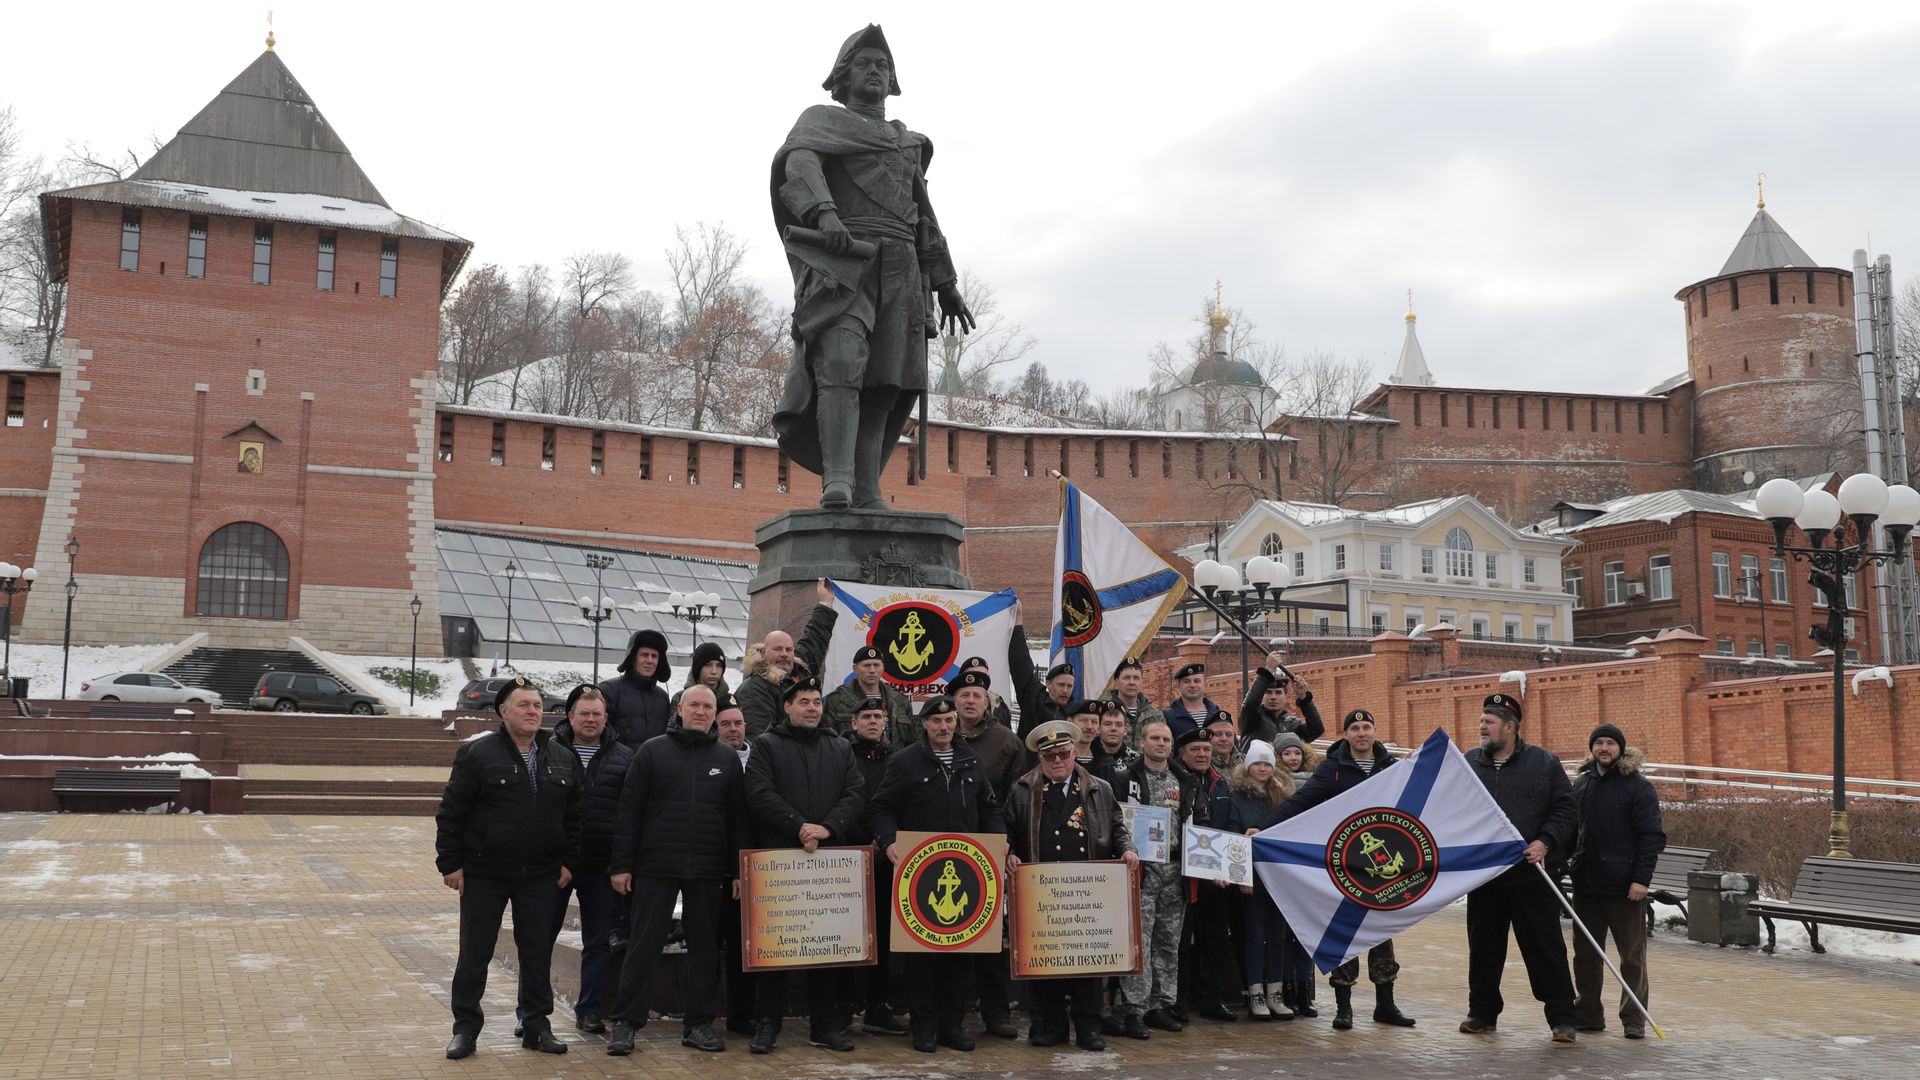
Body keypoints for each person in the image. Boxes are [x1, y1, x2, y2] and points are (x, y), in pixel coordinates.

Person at [770, 23, 973, 510]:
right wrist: (824, 212)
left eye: (883, 65)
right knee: (840, 359)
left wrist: (945, 283)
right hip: (846, 261)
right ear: (843, 77)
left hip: (903, 268)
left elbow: (923, 214)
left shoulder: (908, 143)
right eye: (864, 64)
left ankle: (866, 485)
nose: (875, 71)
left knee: (888, 378)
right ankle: (836, 480)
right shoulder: (820, 123)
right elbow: (798, 167)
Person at [435, 677, 582, 1060]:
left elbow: (576, 816)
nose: (533, 711)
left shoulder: (562, 756)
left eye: (537, 705)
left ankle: (537, 1025)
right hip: (485, 872)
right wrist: (451, 864)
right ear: (503, 712)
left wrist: (570, 861)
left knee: (536, 954)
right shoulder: (478, 754)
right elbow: (452, 812)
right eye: (524, 705)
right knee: (475, 954)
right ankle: (465, 1029)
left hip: (539, 875)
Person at [605, 685, 749, 1056]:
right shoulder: (652, 751)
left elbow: (737, 820)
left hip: (706, 869)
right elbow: (629, 812)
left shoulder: (727, 758)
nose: (701, 712)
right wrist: (621, 865)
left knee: (704, 949)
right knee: (643, 945)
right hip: (656, 865)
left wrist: (736, 870)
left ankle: (698, 1024)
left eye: (708, 706)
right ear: (680, 708)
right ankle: (626, 1023)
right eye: (695, 705)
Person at [869, 696, 1008, 1053]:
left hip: (966, 870)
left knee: (960, 955)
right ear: (925, 725)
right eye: (936, 722)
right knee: (921, 957)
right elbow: (882, 807)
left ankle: (953, 1024)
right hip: (920, 872)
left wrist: (998, 841)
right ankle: (924, 1026)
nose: (944, 727)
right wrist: (887, 842)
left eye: (949, 720)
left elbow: (989, 808)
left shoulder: (971, 762)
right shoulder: (905, 763)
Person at [1263, 708, 1415, 1031]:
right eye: (1355, 728)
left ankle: (1385, 1005)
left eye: (1367, 727)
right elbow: (1300, 802)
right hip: (1344, 866)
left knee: (1381, 933)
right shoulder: (1333, 769)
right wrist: (1262, 829)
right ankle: (1343, 1007)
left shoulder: (1391, 768)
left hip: (1382, 867)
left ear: (1375, 732)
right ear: (1345, 734)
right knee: (1345, 932)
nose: (1361, 733)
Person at [743, 674, 868, 1054]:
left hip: (827, 862)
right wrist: (799, 827)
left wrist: (827, 828)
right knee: (778, 948)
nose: (812, 708)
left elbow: (855, 792)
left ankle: (825, 1026)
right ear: (787, 707)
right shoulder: (766, 745)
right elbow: (759, 793)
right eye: (804, 702)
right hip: (782, 862)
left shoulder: (839, 747)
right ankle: (768, 1024)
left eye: (816, 701)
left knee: (826, 947)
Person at [1006, 720, 1138, 1051]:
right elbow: (1007, 831)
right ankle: (1051, 1026)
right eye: (1049, 756)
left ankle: (1089, 1027)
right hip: (1043, 890)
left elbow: (1117, 826)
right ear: (1040, 758)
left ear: (1075, 753)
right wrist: (1008, 853)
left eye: (1064, 754)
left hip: (1087, 890)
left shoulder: (1099, 788)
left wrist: (1127, 849)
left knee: (1088, 963)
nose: (1058, 762)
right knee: (1046, 960)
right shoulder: (1022, 789)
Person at [1459, 692, 1580, 1044]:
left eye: (1490, 722)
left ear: (1510, 727)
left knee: (1545, 948)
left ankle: (1562, 1017)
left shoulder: (1542, 763)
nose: (1482, 727)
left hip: (1533, 875)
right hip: (1486, 876)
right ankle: (1482, 1013)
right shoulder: (1469, 763)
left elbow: (1565, 809)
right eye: (1482, 721)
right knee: (1483, 948)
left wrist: (1546, 842)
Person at [543, 685, 633, 1036]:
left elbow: (630, 816)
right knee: (540, 940)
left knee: (597, 943)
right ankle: (532, 1012)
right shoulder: (546, 752)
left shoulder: (624, 757)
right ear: (570, 716)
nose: (591, 719)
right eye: (584, 713)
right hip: (556, 866)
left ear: (606, 718)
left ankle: (590, 1011)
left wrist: (621, 861)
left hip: (601, 866)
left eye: (597, 714)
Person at [1570, 722, 1665, 1041]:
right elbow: (1571, 832)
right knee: (1585, 956)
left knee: (1632, 957)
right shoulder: (1581, 785)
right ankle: (1588, 1014)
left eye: (1611, 743)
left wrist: (1641, 880)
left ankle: (1634, 1017)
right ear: (1592, 748)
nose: (1605, 748)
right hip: (1586, 886)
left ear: (1621, 748)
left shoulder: (1638, 787)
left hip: (1626, 890)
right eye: (1599, 743)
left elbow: (1651, 837)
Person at [948, 667, 1023, 1038]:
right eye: (964, 695)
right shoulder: (939, 736)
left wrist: (1009, 844)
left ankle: (996, 1014)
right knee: (952, 934)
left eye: (977, 695)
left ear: (988, 701)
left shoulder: (1007, 742)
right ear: (955, 702)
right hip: (944, 849)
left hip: (989, 848)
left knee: (991, 936)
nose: (971, 700)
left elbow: (1017, 797)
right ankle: (955, 1014)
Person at [1113, 718, 1191, 1037]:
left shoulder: (1183, 780)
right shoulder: (1125, 779)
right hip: (1142, 869)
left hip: (1175, 869)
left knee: (1168, 940)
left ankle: (1161, 1004)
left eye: (1166, 740)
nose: (1161, 744)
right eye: (1155, 738)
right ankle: (1134, 1008)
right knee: (1138, 940)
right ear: (1142, 742)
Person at [836, 695, 906, 1036]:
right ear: (854, 723)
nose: (873, 721)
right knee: (847, 933)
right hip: (849, 854)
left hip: (884, 858)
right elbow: (842, 801)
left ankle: (878, 1006)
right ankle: (843, 1006)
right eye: (866, 716)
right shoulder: (840, 755)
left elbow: (896, 805)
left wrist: (883, 842)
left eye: (878, 716)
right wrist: (863, 841)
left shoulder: (896, 760)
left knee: (882, 933)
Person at [1175, 715, 1241, 1023]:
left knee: (1216, 940)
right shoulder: (1175, 782)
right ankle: (1180, 1000)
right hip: (1184, 878)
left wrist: (1226, 869)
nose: (1202, 754)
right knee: (1181, 941)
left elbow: (1229, 827)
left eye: (1206, 748)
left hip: (1217, 879)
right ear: (1182, 754)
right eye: (1195, 749)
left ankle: (1213, 999)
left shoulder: (1221, 783)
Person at [1226, 740, 1296, 1020]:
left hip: (1280, 879)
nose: (1263, 768)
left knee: (1278, 937)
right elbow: (1233, 837)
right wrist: (1241, 875)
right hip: (1251, 878)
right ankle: (1255, 992)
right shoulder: (1236, 796)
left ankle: (1275, 993)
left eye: (1267, 763)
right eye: (1258, 763)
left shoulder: (1284, 795)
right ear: (1248, 766)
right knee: (1256, 936)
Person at [739, 580, 838, 737]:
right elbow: (760, 737)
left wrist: (825, 602)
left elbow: (815, 639)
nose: (784, 654)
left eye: (789, 649)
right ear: (763, 652)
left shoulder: (801, 670)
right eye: (778, 649)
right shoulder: (755, 688)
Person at [1267, 730, 1320, 1020]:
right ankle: (1286, 987)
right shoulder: (1274, 785)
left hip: (1308, 865)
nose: (1293, 758)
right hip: (1282, 867)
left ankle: (1304, 989)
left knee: (1305, 933)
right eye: (1287, 753)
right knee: (1284, 932)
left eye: (1297, 753)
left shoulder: (1317, 782)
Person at [712, 702, 757, 1035]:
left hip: (754, 866)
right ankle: (703, 1014)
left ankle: (742, 1016)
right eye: (725, 724)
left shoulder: (761, 758)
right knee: (712, 944)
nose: (733, 729)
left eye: (738, 723)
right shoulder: (709, 757)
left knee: (747, 945)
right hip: (714, 867)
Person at [823, 644, 914, 746]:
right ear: (855, 668)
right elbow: (827, 742)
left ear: (883, 667)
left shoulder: (900, 701)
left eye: (876, 665)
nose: (872, 670)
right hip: (852, 760)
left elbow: (913, 742)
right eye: (866, 665)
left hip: (893, 760)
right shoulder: (837, 700)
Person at [1007, 604, 1078, 733]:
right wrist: (1018, 619)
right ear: (1048, 684)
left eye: (1069, 686)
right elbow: (1021, 663)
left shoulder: (1077, 713)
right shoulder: (1034, 698)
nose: (1065, 690)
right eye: (1061, 685)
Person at [601, 629, 673, 747]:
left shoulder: (662, 697)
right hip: (621, 764)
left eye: (654, 656)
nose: (650, 661)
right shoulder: (610, 690)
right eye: (644, 655)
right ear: (632, 657)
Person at [1238, 653, 1324, 746]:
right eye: (1268, 692)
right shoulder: (1252, 718)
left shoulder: (1294, 725)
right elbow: (1249, 705)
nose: (1273, 697)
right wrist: (1268, 671)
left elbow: (1317, 730)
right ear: (1262, 695)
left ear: (1286, 697)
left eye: (1278, 693)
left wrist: (1303, 697)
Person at [1105, 656, 1164, 750]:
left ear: (1141, 682)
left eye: (1136, 678)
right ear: (1116, 681)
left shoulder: (1155, 714)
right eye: (1127, 678)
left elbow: (1167, 744)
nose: (1132, 682)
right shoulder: (1104, 711)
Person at [1162, 663, 1221, 741]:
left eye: (1197, 681)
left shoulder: (1217, 714)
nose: (1192, 685)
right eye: (1186, 681)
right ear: (1178, 685)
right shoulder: (1167, 717)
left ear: (1205, 684)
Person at [671, 641, 731, 710]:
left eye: (719, 665)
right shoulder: (679, 699)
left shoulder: (730, 701)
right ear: (698, 669)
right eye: (708, 665)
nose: (714, 671)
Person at [957, 655, 1013, 727]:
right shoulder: (949, 703)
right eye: (972, 677)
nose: (977, 680)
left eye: (982, 677)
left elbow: (1007, 735)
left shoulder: (999, 705)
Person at [1091, 699, 1139, 779]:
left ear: (1125, 731)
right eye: (1107, 724)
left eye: (1119, 725)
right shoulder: (1088, 756)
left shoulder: (1135, 760)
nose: (1113, 729)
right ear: (1098, 729)